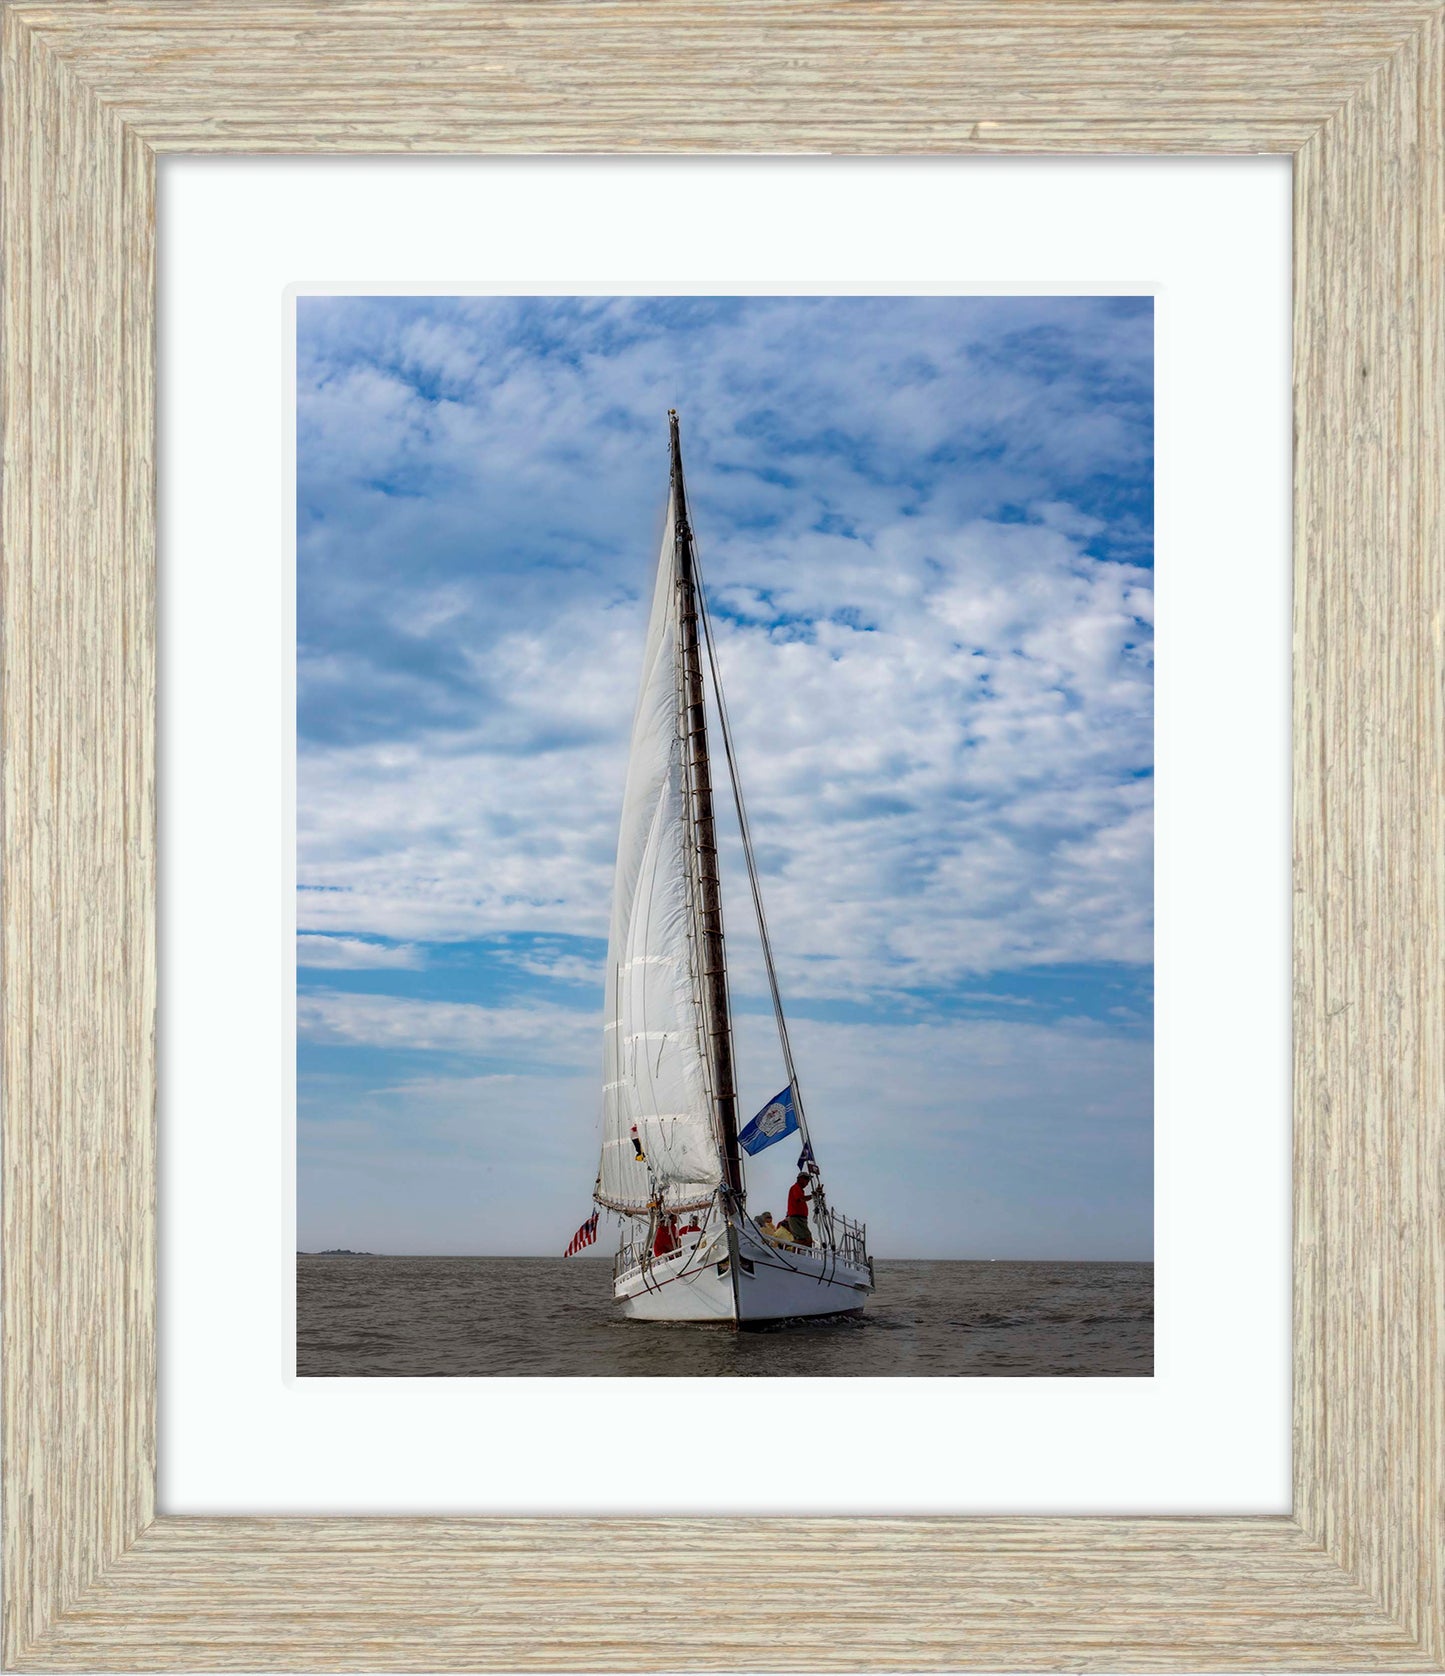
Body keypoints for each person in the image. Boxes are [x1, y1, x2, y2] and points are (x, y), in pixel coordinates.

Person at [783, 1173, 813, 1246]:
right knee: (801, 1239)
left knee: (808, 1240)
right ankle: (786, 1247)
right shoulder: (795, 1187)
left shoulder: (800, 1190)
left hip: (801, 1218)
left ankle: (802, 1254)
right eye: (807, 1179)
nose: (807, 1183)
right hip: (796, 1217)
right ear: (800, 1179)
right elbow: (801, 1199)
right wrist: (813, 1196)